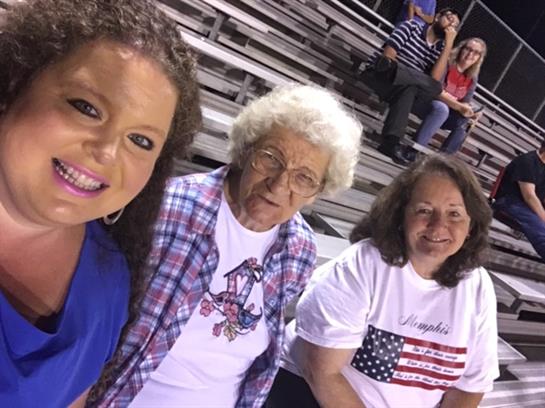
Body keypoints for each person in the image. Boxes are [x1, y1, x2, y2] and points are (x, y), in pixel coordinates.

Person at [90, 84, 363, 407]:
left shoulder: (299, 249)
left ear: (317, 192)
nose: (279, 185)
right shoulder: (168, 207)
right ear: (246, 150)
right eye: (271, 159)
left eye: (303, 178)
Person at [0, 0, 201, 406]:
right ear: (13, 86)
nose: (108, 151)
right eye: (87, 107)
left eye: (141, 141)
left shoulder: (108, 281)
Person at [269, 155, 499, 408]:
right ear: (401, 216)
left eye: (454, 214)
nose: (438, 225)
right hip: (310, 393)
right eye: (424, 210)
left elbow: (470, 388)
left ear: (471, 225)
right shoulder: (363, 265)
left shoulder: (477, 286)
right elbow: (321, 372)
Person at [358, 8, 460, 164]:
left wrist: (449, 45)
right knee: (429, 87)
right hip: (380, 74)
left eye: (455, 24)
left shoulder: (439, 48)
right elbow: (388, 57)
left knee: (413, 89)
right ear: (437, 17)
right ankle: (392, 144)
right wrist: (412, 75)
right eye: (449, 18)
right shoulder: (412, 26)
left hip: (403, 87)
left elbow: (434, 78)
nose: (451, 24)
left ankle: (390, 143)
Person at [403, 38, 487, 161]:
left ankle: (444, 160)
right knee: (441, 108)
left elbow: (464, 102)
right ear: (461, 49)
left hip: (446, 113)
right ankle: (413, 150)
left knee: (464, 121)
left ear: (479, 57)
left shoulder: (472, 77)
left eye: (476, 52)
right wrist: (459, 106)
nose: (470, 54)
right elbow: (435, 91)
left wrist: (473, 112)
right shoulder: (447, 63)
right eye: (468, 49)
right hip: (424, 102)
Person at [492, 141, 545, 260]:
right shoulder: (528, 161)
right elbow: (529, 196)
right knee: (540, 227)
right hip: (509, 201)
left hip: (526, 205)